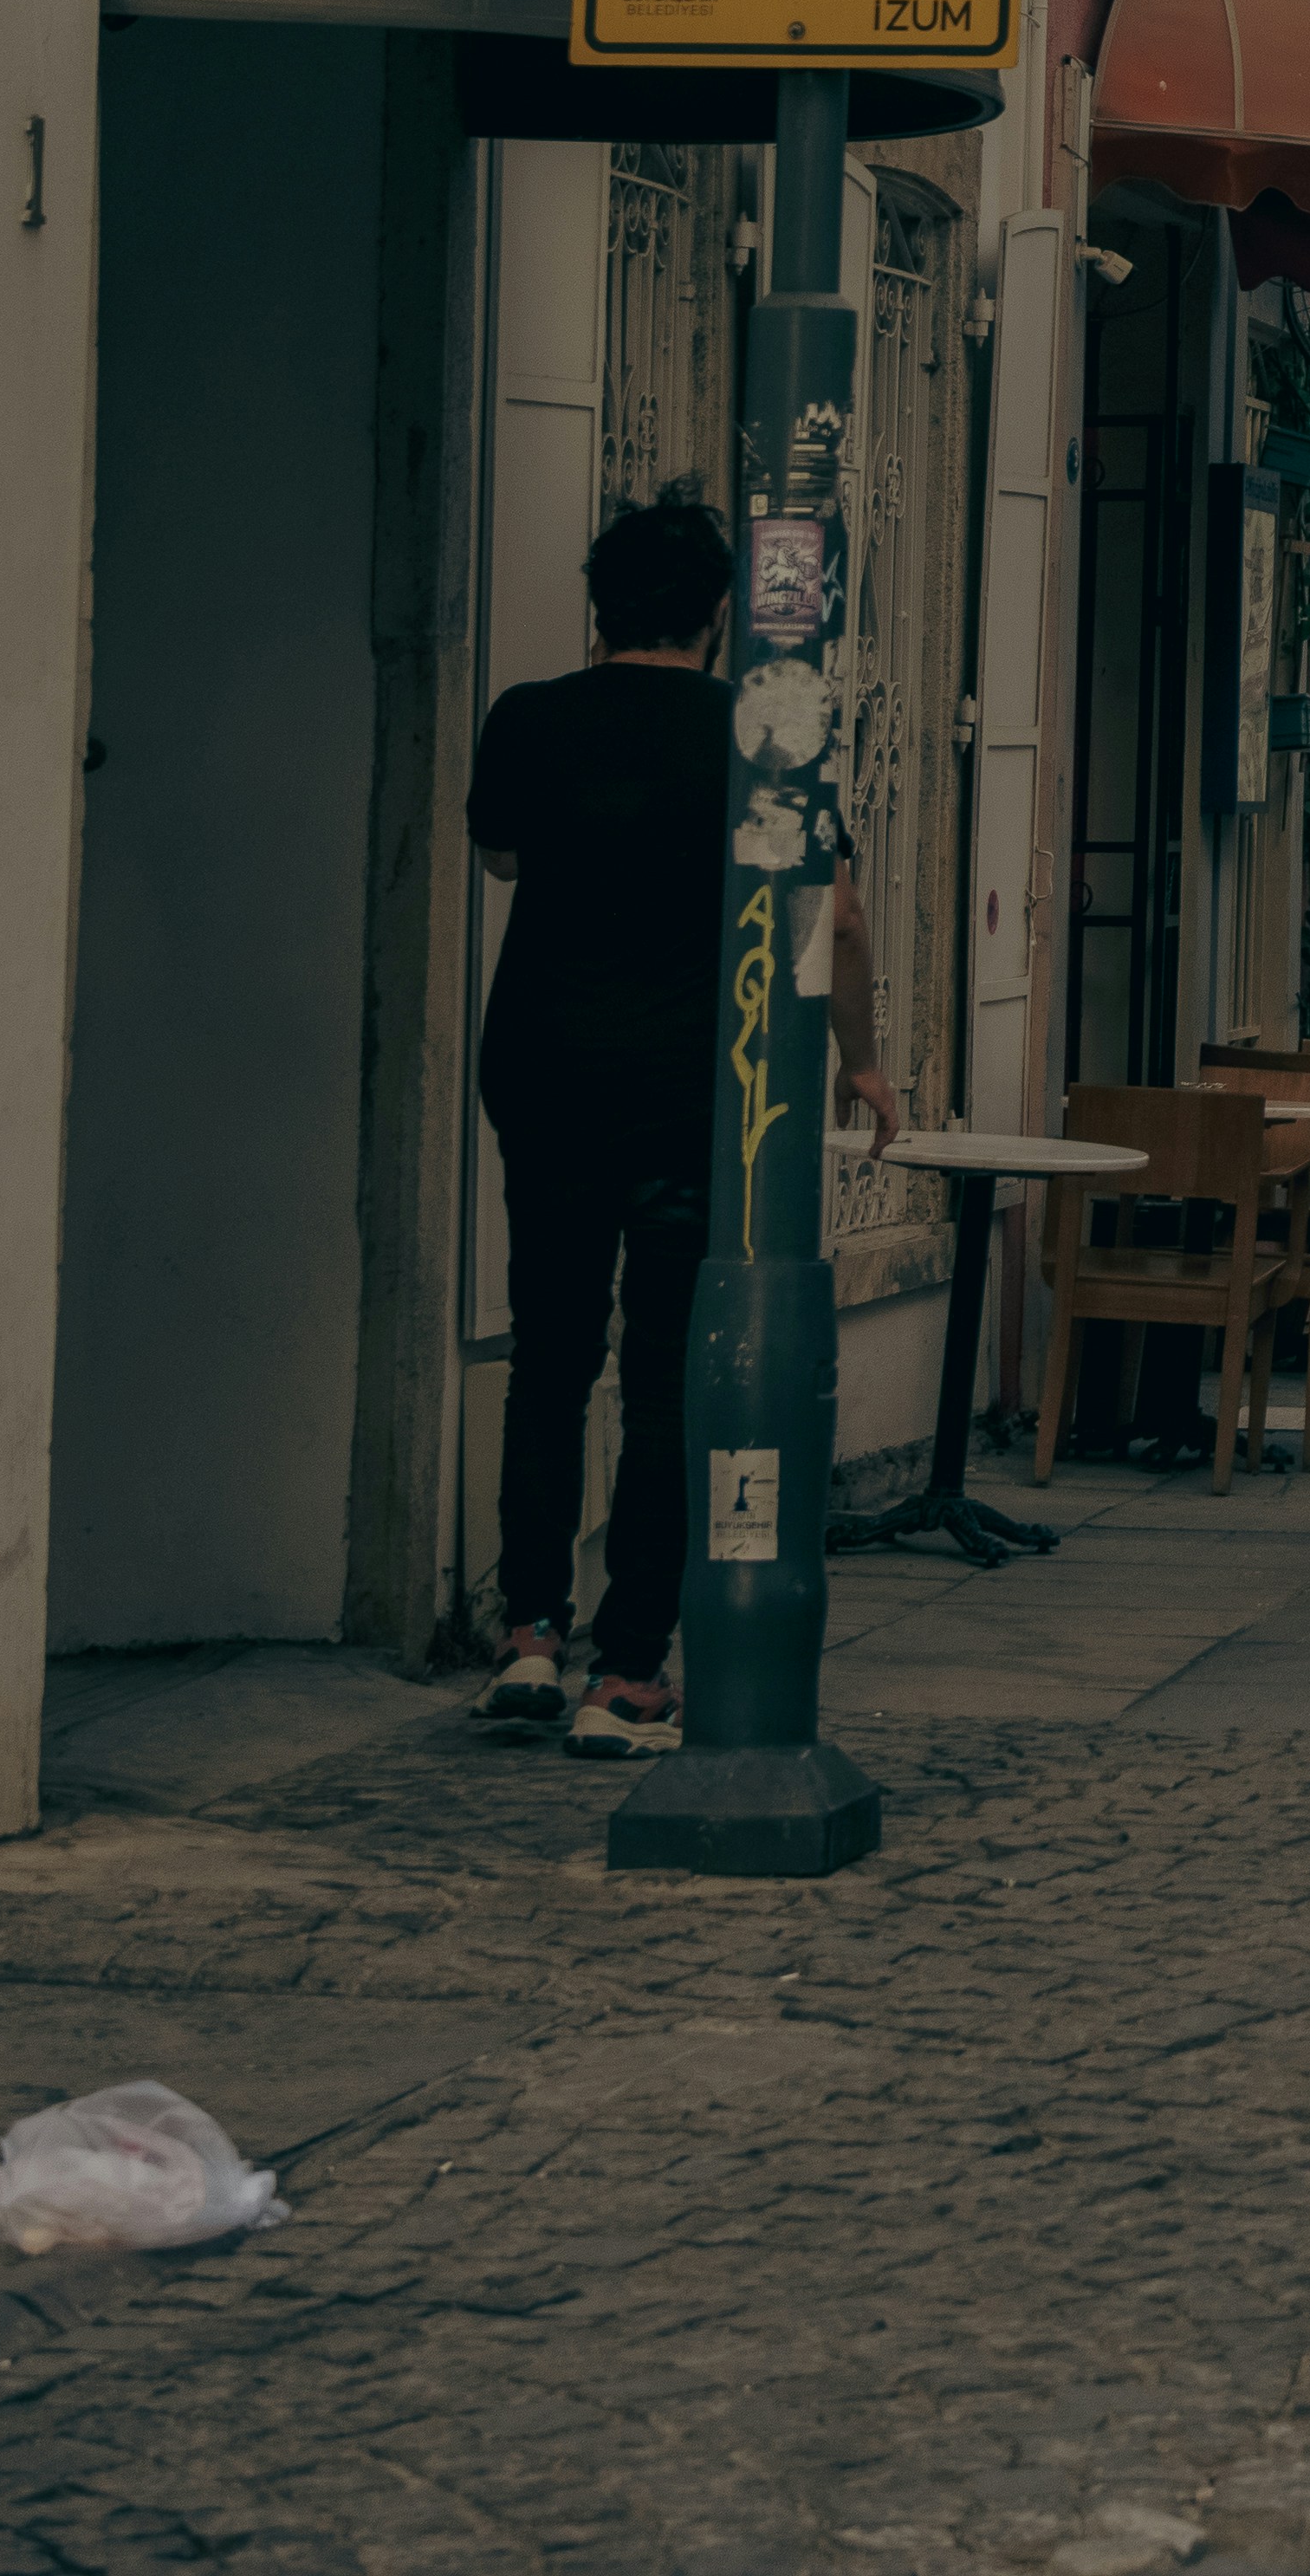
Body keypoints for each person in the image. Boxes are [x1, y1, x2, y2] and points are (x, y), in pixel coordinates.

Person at [467, 496, 889, 1760]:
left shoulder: (529, 718)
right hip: (683, 1088)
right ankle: (630, 1672)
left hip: (541, 1069)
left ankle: (529, 1635)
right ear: (719, 617)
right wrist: (860, 1064)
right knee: (662, 1371)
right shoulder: (762, 734)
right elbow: (841, 920)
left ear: (600, 606)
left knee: (547, 1347)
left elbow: (500, 857)